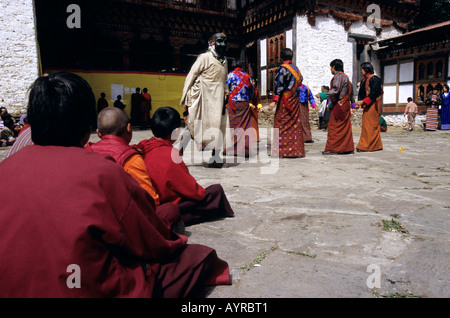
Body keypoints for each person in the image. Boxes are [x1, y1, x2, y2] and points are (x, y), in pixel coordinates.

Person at [0, 72, 231, 297]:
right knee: (197, 257)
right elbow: (150, 241)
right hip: (82, 286)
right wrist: (174, 240)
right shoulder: (102, 171)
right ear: (87, 129)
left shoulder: (5, 169)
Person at [84, 107, 181, 230]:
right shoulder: (131, 158)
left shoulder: (86, 150)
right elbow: (152, 201)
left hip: (89, 217)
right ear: (129, 128)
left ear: (98, 133)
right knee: (170, 210)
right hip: (117, 224)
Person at [138, 107, 235, 227]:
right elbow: (194, 191)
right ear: (177, 133)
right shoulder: (170, 156)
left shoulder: (142, 146)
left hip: (144, 202)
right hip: (165, 205)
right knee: (216, 191)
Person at [179, 33, 231, 168]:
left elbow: (224, 80)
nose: (223, 44)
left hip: (218, 99)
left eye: (225, 41)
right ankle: (178, 153)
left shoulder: (224, 61)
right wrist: (185, 98)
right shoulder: (204, 58)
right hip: (202, 98)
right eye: (220, 41)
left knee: (219, 127)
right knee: (192, 125)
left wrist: (226, 93)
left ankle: (216, 157)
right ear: (211, 43)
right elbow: (191, 76)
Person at [267, 48, 305, 158]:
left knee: (280, 123)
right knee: (294, 124)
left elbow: (279, 84)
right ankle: (295, 151)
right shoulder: (297, 70)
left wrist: (274, 101)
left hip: (285, 100)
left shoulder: (282, 69)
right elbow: (300, 81)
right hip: (294, 99)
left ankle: (280, 151)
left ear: (282, 57)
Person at [322, 59, 354, 155]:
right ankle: (346, 148)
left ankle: (334, 149)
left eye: (331, 67)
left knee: (334, 126)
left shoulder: (338, 76)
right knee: (344, 127)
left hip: (339, 105)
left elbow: (336, 90)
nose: (330, 69)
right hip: (344, 104)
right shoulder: (346, 77)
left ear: (334, 67)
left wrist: (323, 95)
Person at [224, 59, 255, 157]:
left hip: (233, 103)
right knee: (244, 126)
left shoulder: (230, 75)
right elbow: (251, 92)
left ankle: (231, 148)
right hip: (244, 103)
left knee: (232, 125)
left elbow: (225, 89)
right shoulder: (247, 76)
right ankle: (244, 149)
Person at [355, 62, 383, 152]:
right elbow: (361, 93)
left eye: (362, 69)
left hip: (373, 104)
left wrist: (363, 101)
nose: (360, 72)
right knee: (368, 125)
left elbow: (374, 93)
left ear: (366, 70)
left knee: (370, 125)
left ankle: (366, 146)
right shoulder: (364, 80)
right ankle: (376, 145)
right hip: (367, 105)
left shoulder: (375, 79)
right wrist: (359, 104)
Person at [298, 77, 317, 143]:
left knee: (305, 121)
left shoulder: (306, 88)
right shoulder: (294, 88)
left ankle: (307, 137)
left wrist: (314, 105)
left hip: (304, 105)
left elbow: (311, 96)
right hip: (297, 105)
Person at [249, 78, 263, 142]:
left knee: (255, 123)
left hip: (254, 109)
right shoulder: (247, 90)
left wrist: (260, 107)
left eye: (254, 81)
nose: (253, 83)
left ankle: (255, 138)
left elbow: (258, 100)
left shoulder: (256, 90)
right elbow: (244, 99)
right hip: (247, 109)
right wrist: (250, 105)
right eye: (252, 81)